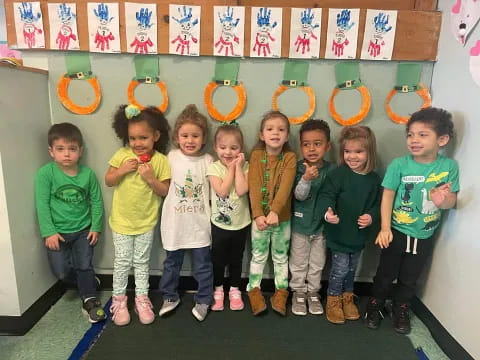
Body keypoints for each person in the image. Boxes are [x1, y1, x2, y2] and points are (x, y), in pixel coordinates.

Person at [365, 107, 459, 334]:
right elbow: (387, 196)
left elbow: (452, 200)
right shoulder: (399, 165)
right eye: (410, 135)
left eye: (422, 134)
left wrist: (441, 200)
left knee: (410, 277)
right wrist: (385, 228)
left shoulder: (449, 167)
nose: (414, 140)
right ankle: (375, 304)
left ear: (442, 139)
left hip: (425, 233)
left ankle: (401, 308)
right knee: (385, 274)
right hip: (396, 231)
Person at [105, 104, 171, 326]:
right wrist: (122, 169)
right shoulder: (122, 155)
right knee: (122, 262)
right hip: (121, 221)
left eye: (143, 138)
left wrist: (151, 178)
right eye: (132, 138)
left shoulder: (161, 160)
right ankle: (119, 300)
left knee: (142, 262)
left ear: (156, 136)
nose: (137, 144)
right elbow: (109, 180)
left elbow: (165, 191)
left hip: (145, 222)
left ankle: (141, 299)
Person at [35, 123, 106, 323]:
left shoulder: (88, 175)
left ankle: (89, 299)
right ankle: (88, 282)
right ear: (51, 152)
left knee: (84, 264)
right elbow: (42, 204)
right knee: (61, 271)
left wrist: (96, 227)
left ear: (80, 151)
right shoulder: (45, 174)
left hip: (84, 230)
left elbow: (97, 202)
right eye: (60, 149)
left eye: (72, 149)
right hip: (57, 232)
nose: (67, 154)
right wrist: (48, 232)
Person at [319, 126, 381, 325]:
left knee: (352, 268)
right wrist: (328, 212)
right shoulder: (338, 174)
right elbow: (326, 195)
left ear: (369, 152)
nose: (352, 156)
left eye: (358, 151)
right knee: (340, 269)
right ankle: (333, 300)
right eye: (347, 151)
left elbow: (378, 204)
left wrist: (371, 217)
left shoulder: (373, 180)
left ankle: (347, 297)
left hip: (358, 235)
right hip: (339, 233)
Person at [158, 104, 214, 322]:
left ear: (203, 138)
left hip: (200, 226)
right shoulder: (170, 158)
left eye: (195, 136)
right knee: (171, 264)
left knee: (203, 266)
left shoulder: (208, 161)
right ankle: (170, 296)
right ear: (176, 137)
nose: (190, 140)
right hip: (175, 225)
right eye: (185, 135)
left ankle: (204, 299)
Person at [247, 111, 297, 316]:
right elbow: (254, 185)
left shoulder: (290, 158)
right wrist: (258, 214)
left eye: (281, 129)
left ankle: (281, 291)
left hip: (282, 220)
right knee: (258, 256)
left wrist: (275, 211)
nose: (275, 133)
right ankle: (254, 290)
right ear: (261, 135)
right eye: (270, 129)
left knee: (280, 257)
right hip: (259, 220)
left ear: (286, 136)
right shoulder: (257, 156)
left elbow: (286, 186)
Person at [289, 119, 336, 316]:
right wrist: (306, 179)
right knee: (298, 262)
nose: (312, 149)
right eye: (306, 144)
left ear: (327, 146)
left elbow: (336, 196)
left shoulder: (332, 170)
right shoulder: (297, 168)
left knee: (317, 263)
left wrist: (333, 213)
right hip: (300, 226)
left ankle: (313, 292)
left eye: (317, 144)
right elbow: (298, 195)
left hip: (321, 228)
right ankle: (298, 292)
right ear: (301, 146)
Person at [207, 124, 250, 312]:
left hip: (241, 224)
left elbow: (241, 190)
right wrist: (232, 168)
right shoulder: (214, 168)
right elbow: (223, 192)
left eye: (234, 148)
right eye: (223, 147)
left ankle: (234, 289)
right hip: (219, 224)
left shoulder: (246, 166)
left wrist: (238, 166)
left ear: (240, 150)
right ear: (216, 148)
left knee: (236, 259)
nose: (228, 152)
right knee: (217, 259)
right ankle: (218, 290)